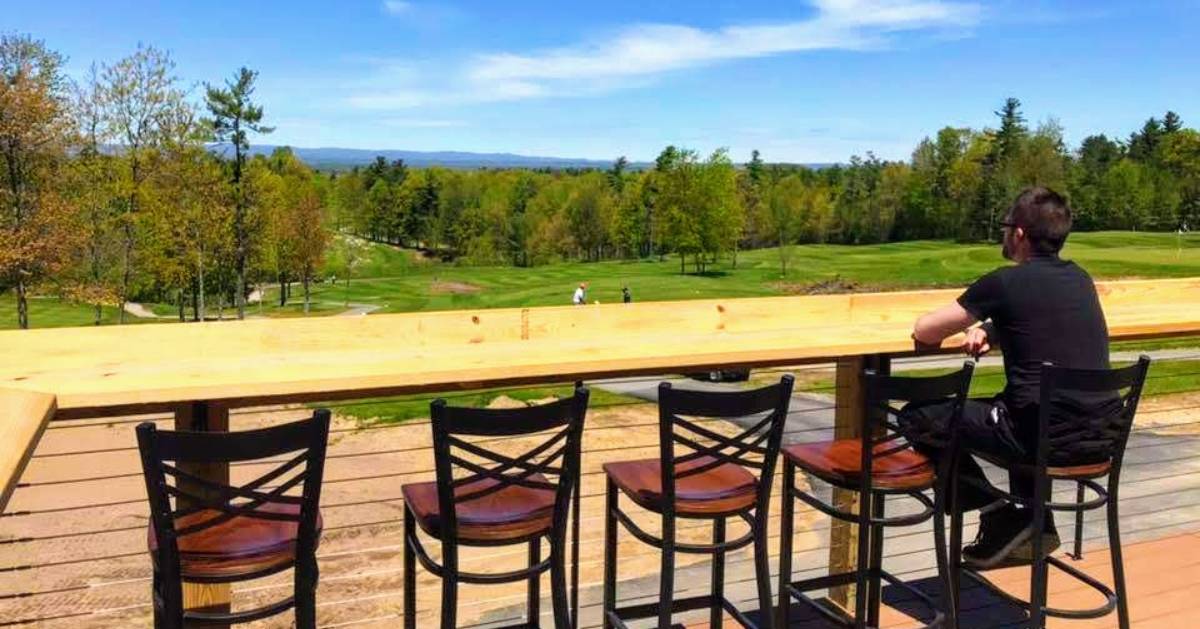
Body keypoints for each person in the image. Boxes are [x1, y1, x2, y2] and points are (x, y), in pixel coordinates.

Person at [905, 187, 1111, 569]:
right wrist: (992, 328)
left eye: (1005, 228)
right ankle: (1036, 523)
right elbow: (1043, 318)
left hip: (1040, 438)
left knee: (918, 415)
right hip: (1097, 436)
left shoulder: (1003, 283)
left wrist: (985, 321)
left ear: (1018, 234)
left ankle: (999, 513)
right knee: (1018, 400)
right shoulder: (1080, 279)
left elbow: (926, 331)